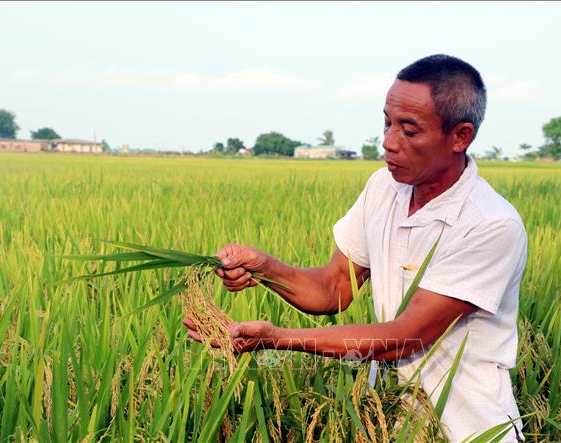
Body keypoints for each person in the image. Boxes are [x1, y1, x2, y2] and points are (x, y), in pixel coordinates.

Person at [183, 54, 527, 442]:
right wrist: (264, 269)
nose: (388, 142)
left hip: (467, 429)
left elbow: (405, 337)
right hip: (393, 422)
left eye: (409, 131)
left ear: (460, 137)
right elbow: (334, 287)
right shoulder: (383, 189)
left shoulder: (489, 224)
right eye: (387, 122)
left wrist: (276, 338)